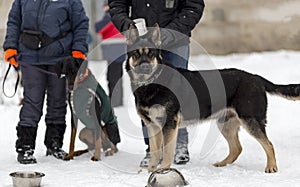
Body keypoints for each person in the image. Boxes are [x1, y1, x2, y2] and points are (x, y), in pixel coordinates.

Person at [108, 0, 205, 166]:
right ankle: (152, 150)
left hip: (176, 42)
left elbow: (194, 6)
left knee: (177, 96)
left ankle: (179, 144)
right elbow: (117, 4)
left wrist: (170, 32)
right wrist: (127, 25)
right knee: (145, 96)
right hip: (139, 43)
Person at [3, 0, 89, 164]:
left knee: (57, 101)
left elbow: (81, 24)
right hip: (30, 57)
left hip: (60, 58)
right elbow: (14, 21)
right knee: (32, 101)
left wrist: (78, 51)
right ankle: (25, 147)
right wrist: (10, 47)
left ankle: (54, 144)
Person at [95, 2, 126, 107]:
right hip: (118, 50)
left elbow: (98, 28)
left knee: (113, 77)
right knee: (116, 76)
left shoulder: (110, 16)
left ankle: (115, 100)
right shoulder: (118, 15)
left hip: (114, 51)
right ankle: (117, 99)